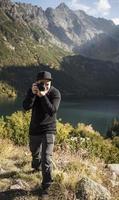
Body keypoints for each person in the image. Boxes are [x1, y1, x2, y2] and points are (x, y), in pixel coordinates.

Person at [23, 71, 61, 193]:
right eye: (41, 83)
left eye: (47, 83)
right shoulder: (32, 90)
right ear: (36, 82)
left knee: (46, 158)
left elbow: (52, 111)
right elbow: (25, 106)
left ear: (50, 82)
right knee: (34, 152)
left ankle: (46, 186)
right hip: (34, 129)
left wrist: (43, 95)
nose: (44, 85)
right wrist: (33, 94)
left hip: (49, 129)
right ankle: (36, 167)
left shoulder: (55, 93)